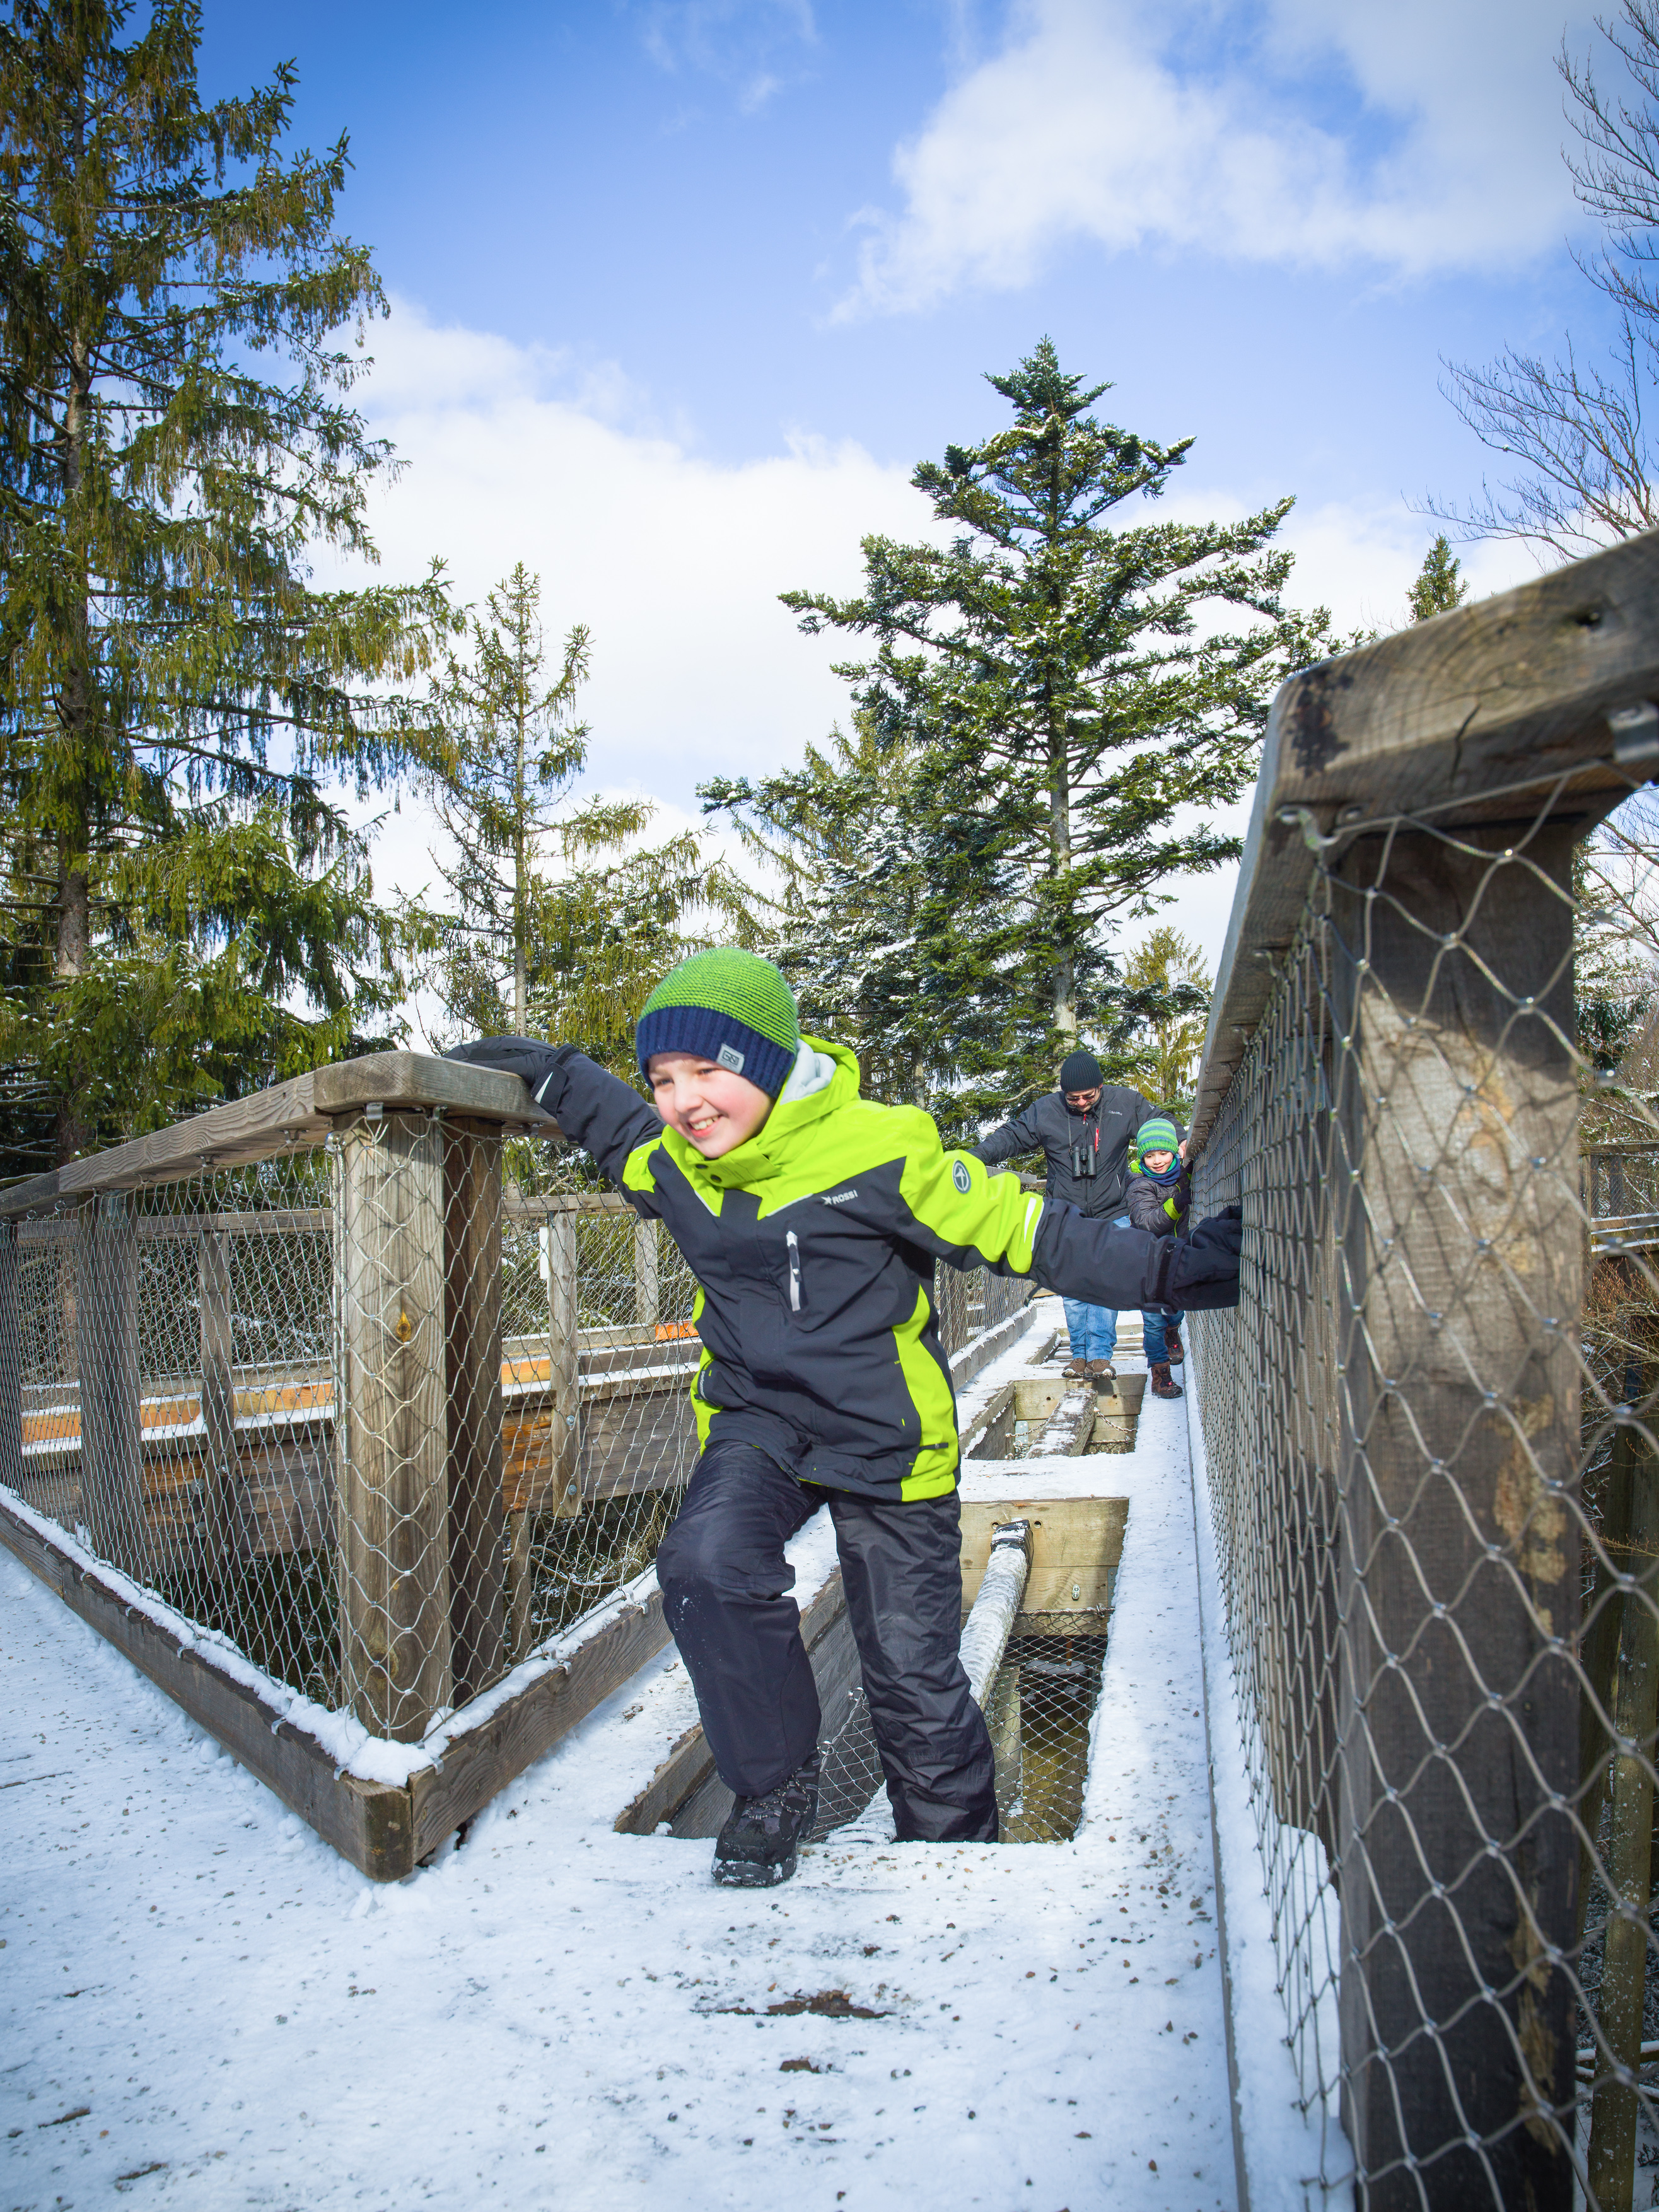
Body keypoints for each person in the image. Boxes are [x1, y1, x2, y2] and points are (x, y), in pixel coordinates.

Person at [449, 952, 1242, 1887]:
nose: (684, 1101)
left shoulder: (877, 1149)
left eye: (707, 1070)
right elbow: (618, 1129)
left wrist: (1168, 1272)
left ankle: (951, 1861)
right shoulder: (676, 1164)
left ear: (768, 1063)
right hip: (759, 1424)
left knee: (910, 1674)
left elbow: (1020, 1229)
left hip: (886, 1437)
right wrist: (555, 1072)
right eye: (663, 1078)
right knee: (704, 1564)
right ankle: (774, 1787)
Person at [971, 1050, 1157, 1382]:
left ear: (1101, 1087)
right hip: (1066, 1215)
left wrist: (1181, 1140)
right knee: (1072, 1291)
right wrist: (974, 1158)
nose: (1082, 1103)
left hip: (1113, 1210)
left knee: (1105, 1285)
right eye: (1074, 1098)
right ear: (1063, 1093)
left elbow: (1159, 1123)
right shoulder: (1046, 1110)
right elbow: (1011, 1136)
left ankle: (1100, 1357)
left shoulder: (1125, 1103)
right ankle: (1079, 1356)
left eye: (1089, 1096)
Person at [1127, 1115, 1192, 1402]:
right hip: (1149, 1263)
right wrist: (1177, 1203)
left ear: (1174, 1152)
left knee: (1175, 1311)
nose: (1157, 1161)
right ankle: (1161, 1375)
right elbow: (1146, 1223)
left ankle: (1172, 1330)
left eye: (1163, 1153)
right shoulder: (1140, 1185)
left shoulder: (1183, 1175)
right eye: (1149, 1156)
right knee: (1154, 1321)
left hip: (1178, 1259)